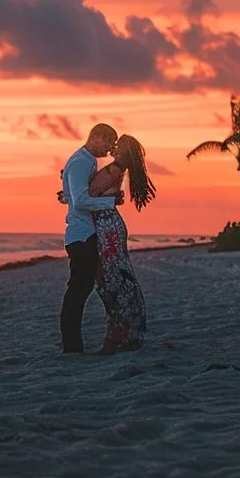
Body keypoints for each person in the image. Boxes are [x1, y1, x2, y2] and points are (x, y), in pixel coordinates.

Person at [85, 134, 155, 354]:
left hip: (107, 227)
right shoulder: (116, 169)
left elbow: (90, 192)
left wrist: (68, 189)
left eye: (118, 145)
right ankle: (125, 335)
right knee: (115, 280)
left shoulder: (114, 169)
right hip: (109, 224)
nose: (113, 147)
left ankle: (117, 337)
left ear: (123, 151)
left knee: (111, 281)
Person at [56, 124, 122, 353]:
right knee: (77, 291)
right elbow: (82, 201)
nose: (110, 148)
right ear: (96, 137)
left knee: (81, 290)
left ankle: (73, 345)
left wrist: (66, 195)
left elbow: (74, 195)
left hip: (85, 233)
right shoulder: (82, 162)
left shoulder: (88, 161)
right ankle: (72, 347)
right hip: (81, 235)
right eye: (109, 142)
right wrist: (111, 202)